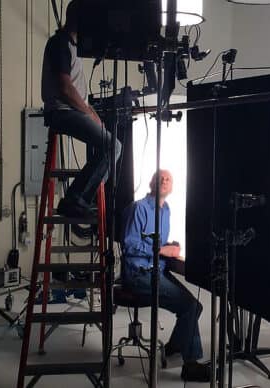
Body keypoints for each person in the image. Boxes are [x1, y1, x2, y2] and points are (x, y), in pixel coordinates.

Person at [121, 170, 211, 382]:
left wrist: (169, 247)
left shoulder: (166, 210)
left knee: (195, 306)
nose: (163, 181)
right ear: (151, 182)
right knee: (189, 306)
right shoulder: (139, 208)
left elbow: (155, 245)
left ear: (172, 187)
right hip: (138, 274)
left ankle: (175, 346)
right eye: (159, 178)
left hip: (156, 270)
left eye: (168, 179)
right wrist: (162, 250)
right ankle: (189, 365)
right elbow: (129, 244)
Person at [41, 0, 121, 218]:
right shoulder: (60, 43)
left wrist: (91, 114)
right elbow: (65, 88)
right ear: (79, 18)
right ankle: (76, 199)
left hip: (71, 111)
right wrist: (89, 112)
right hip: (62, 112)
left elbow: (73, 91)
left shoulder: (74, 47)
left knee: (111, 146)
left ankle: (84, 195)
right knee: (112, 146)